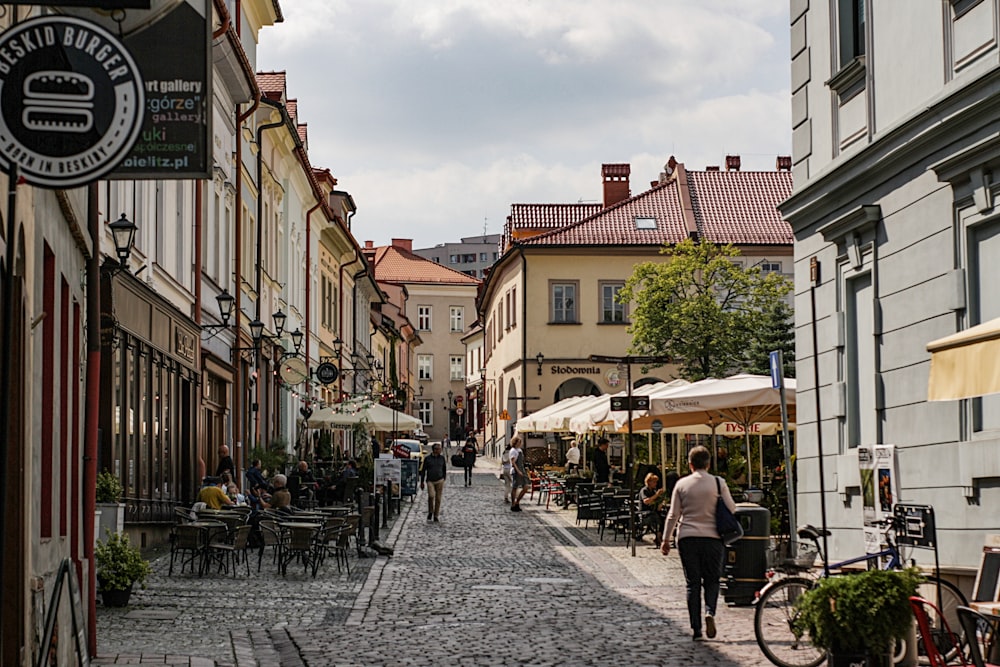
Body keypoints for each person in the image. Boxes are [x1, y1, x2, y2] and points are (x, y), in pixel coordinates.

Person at [660, 445, 736, 641]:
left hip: (687, 537)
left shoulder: (682, 484)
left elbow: (673, 514)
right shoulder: (718, 483)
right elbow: (732, 508)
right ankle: (710, 611)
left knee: (692, 584)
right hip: (713, 538)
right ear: (709, 463)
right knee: (712, 580)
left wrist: (665, 539)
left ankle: (697, 630)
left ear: (690, 464)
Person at [637, 472, 667, 545]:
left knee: (665, 517)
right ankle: (658, 536)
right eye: (654, 482)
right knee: (656, 517)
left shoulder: (653, 490)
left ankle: (659, 536)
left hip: (653, 511)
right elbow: (646, 501)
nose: (655, 484)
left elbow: (656, 501)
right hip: (645, 513)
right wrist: (656, 495)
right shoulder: (644, 490)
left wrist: (661, 503)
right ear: (649, 482)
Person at [419, 443, 447, 522]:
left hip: (440, 480)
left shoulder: (442, 458)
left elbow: (444, 468)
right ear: (434, 450)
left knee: (438, 498)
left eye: (440, 449)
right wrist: (422, 482)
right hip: (430, 480)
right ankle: (431, 511)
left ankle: (436, 515)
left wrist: (444, 477)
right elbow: (423, 470)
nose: (440, 450)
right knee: (431, 496)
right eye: (438, 449)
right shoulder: (428, 459)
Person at [509, 435, 528, 512]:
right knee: (515, 487)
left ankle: (517, 502)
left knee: (526, 487)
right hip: (516, 471)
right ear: (515, 443)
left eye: (520, 442)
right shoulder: (513, 451)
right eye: (518, 442)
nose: (520, 443)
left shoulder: (519, 450)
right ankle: (513, 504)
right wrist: (518, 471)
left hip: (522, 470)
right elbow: (513, 462)